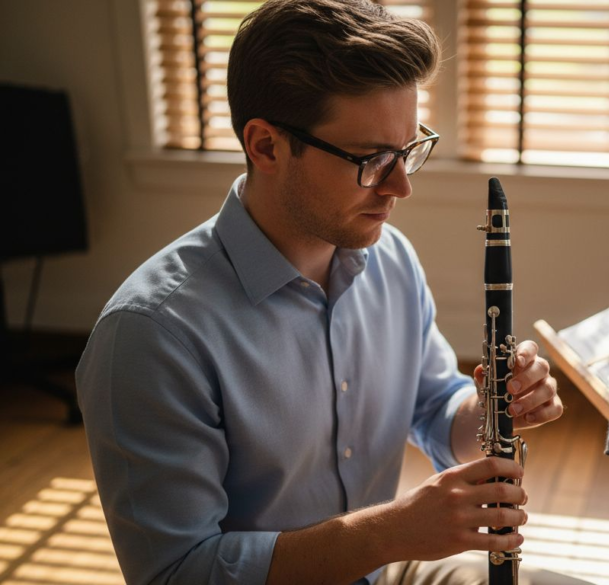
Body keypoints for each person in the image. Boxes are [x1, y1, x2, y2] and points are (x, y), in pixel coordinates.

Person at [75, 1, 580, 583]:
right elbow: (179, 573)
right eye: (372, 158)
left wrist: (495, 408)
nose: (401, 186)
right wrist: (391, 532)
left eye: (408, 149)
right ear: (266, 146)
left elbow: (433, 406)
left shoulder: (391, 258)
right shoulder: (149, 337)